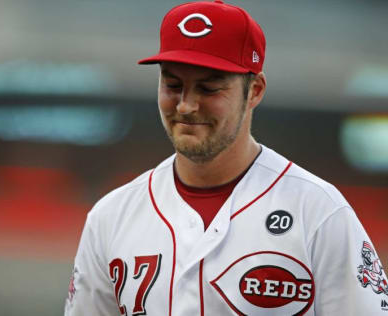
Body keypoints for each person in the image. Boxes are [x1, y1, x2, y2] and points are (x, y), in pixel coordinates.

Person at [64, 1, 388, 315]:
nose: (186, 105)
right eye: (173, 85)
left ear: (255, 90)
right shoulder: (110, 217)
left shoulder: (318, 211)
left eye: (208, 88)